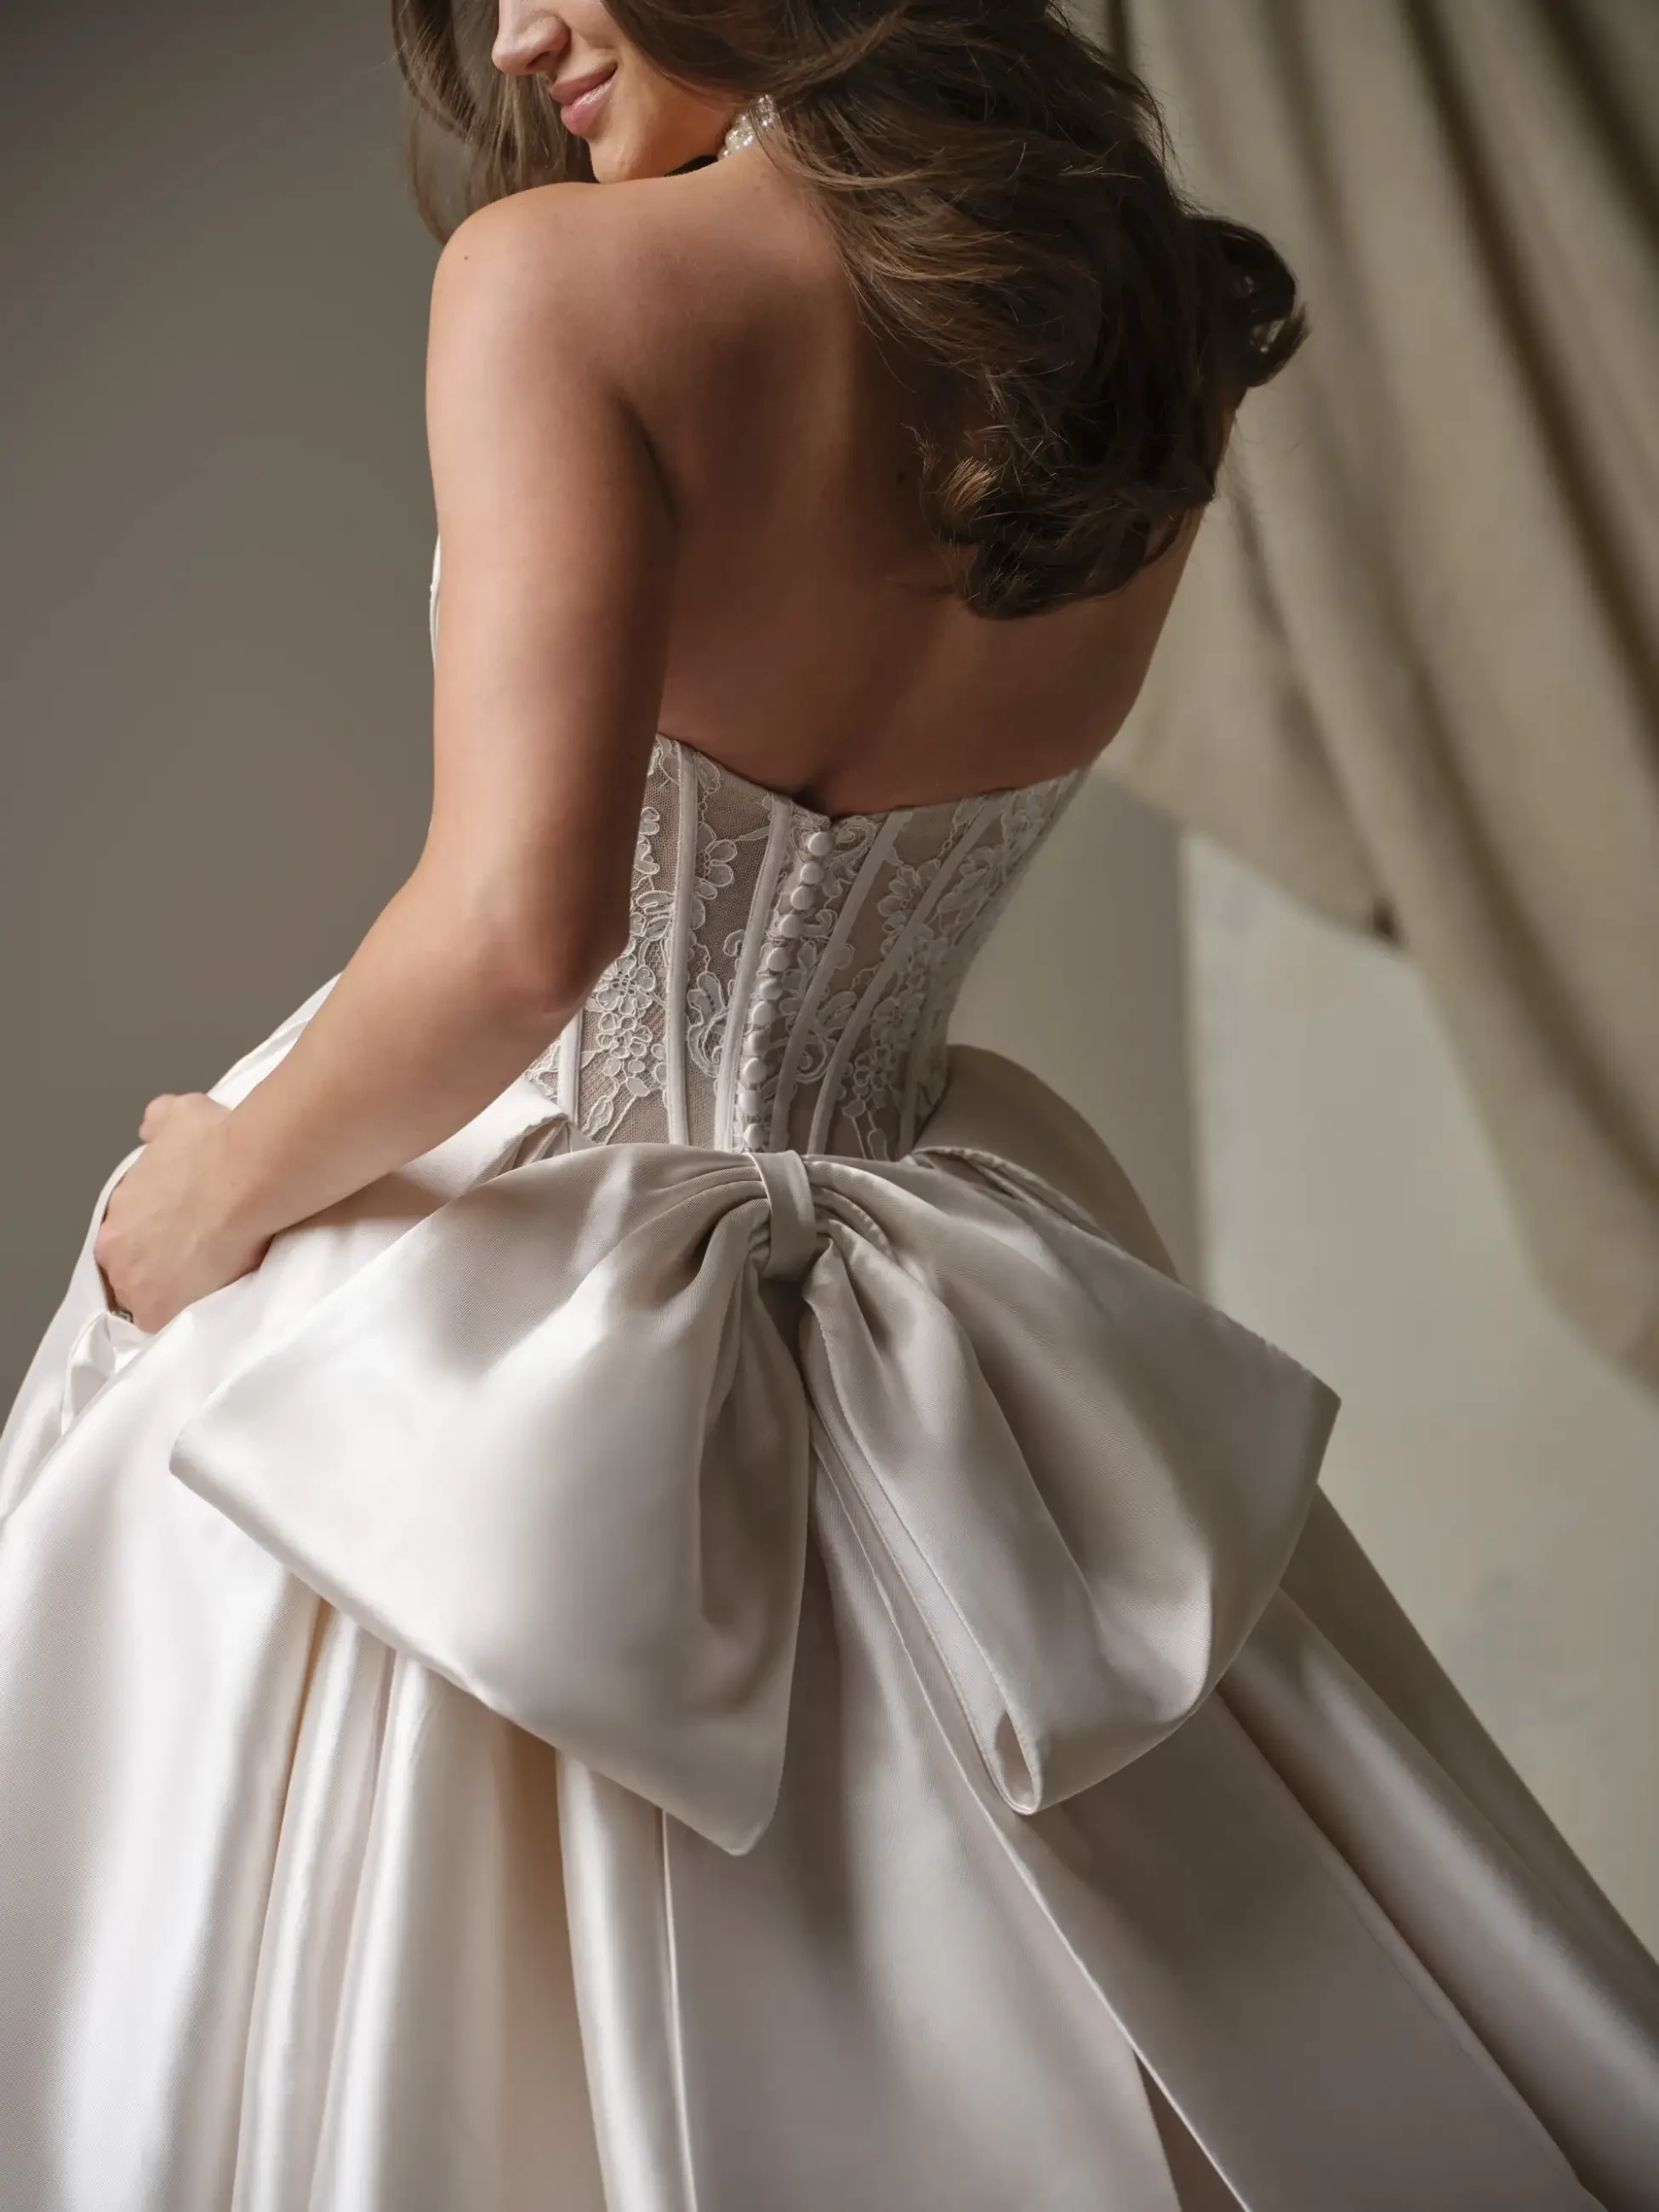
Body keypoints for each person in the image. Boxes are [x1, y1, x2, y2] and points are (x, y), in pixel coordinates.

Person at [1, 3, 1656, 2206]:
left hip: (487, 1353)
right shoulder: (1137, 324)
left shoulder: (561, 284)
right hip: (960, 1333)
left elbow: (516, 938)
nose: (512, 32)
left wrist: (190, 1213)